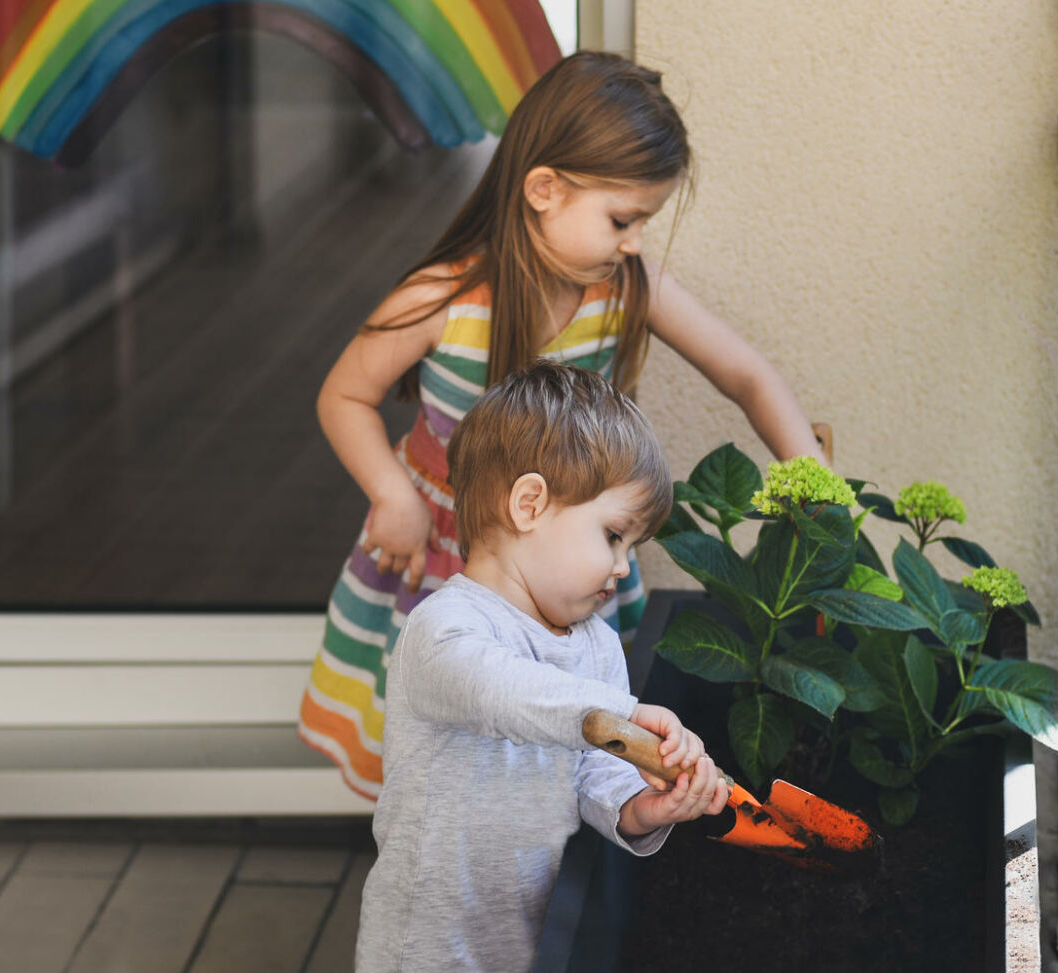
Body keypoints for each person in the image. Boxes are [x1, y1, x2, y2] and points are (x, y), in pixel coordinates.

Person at [298, 50, 827, 799]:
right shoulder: (446, 298)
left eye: (642, 221)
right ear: (544, 189)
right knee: (442, 751)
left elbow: (746, 372)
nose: (635, 241)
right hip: (450, 560)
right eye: (622, 219)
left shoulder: (623, 290)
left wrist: (812, 472)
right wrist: (393, 494)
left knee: (560, 745)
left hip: (569, 571)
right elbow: (343, 396)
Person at [354, 361, 729, 972]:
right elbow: (505, 693)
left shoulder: (596, 645)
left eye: (632, 547)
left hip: (530, 925)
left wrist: (639, 807)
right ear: (529, 504)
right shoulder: (444, 630)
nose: (622, 568)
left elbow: (592, 772)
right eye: (612, 536)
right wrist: (625, 717)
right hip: (429, 942)